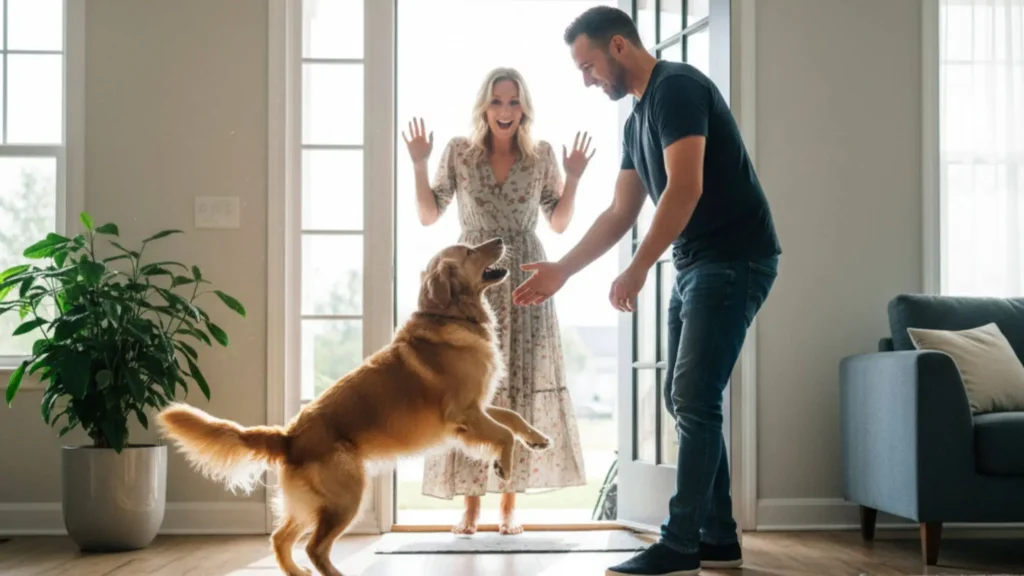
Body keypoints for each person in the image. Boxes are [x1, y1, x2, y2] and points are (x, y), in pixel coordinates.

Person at [513, 7, 781, 575]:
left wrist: (636, 270)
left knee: (693, 396)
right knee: (684, 397)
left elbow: (685, 188)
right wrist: (562, 269)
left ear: (617, 47)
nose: (586, 80)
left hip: (735, 257)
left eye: (588, 66)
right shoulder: (637, 120)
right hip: (697, 263)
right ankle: (719, 537)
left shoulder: (676, 89)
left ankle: (681, 542)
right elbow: (619, 211)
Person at [402, 67, 592, 536]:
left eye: (513, 102)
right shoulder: (459, 153)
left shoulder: (542, 155)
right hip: (473, 281)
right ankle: (469, 506)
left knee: (519, 387)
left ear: (524, 107)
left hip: (526, 275)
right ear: (484, 107)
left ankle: (508, 504)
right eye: (496, 102)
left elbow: (561, 223)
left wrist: (572, 178)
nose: (505, 111)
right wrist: (419, 164)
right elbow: (429, 216)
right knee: (468, 389)